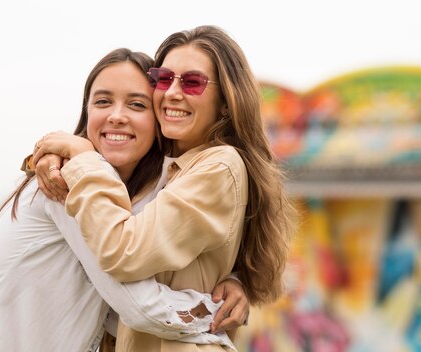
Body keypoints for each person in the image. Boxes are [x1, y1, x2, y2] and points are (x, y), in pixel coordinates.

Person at [0, 48, 247, 352]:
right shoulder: (63, 186)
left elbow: (115, 312)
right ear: (87, 112)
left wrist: (233, 280)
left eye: (137, 104)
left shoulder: (122, 200)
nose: (116, 116)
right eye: (102, 101)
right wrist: (215, 310)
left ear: (158, 119)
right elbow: (140, 308)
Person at [32, 25, 298, 351]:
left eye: (192, 82)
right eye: (164, 78)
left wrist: (82, 158)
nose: (172, 92)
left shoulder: (218, 167)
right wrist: (53, 156)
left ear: (227, 102)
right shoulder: (169, 167)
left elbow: (124, 252)